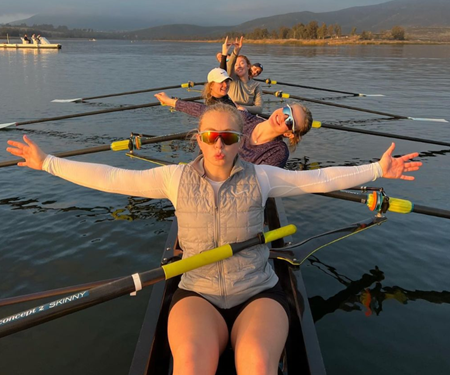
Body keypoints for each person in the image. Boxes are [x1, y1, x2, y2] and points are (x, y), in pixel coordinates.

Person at [6, 104, 422, 375]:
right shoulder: (173, 178)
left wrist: (377, 170)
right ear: (198, 138)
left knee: (257, 365)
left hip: (258, 293)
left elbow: (317, 179)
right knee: (189, 366)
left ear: (241, 140)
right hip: (197, 294)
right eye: (209, 137)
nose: (218, 145)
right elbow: (115, 178)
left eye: (227, 137)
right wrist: (48, 163)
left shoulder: (263, 176)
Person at [155, 92, 311, 168]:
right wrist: (171, 102)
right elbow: (207, 111)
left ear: (289, 134)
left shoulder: (278, 152)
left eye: (290, 122)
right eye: (286, 111)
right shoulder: (246, 119)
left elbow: (253, 182)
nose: (283, 117)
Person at [220, 37, 263, 114]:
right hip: (230, 113)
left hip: (246, 115)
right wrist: (236, 51)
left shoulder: (256, 85)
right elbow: (229, 66)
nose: (238, 66)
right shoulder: (232, 78)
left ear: (248, 66)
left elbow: (259, 108)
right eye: (236, 65)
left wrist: (241, 107)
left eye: (242, 63)